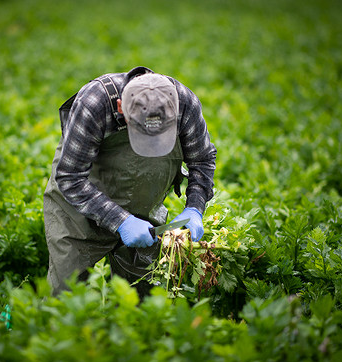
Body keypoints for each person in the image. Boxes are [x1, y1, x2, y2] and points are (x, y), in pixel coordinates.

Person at [43, 66, 216, 296]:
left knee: (140, 300)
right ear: (121, 107)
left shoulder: (185, 103)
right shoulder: (95, 103)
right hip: (78, 208)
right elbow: (70, 177)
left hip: (143, 206)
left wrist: (195, 206)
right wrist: (122, 221)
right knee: (64, 296)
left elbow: (202, 159)